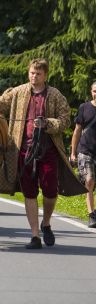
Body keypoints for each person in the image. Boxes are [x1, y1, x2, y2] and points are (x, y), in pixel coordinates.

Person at [0, 58, 86, 249]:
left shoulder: (54, 94)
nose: (34, 76)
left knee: (50, 190)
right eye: (31, 73)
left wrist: (47, 123)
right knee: (29, 191)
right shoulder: (19, 91)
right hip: (22, 150)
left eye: (38, 73)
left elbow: (65, 119)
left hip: (48, 149)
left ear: (45, 75)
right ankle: (35, 235)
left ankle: (46, 224)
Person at [70, 81, 96, 228]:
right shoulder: (84, 108)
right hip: (85, 150)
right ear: (91, 91)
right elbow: (77, 131)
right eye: (94, 91)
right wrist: (73, 152)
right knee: (90, 180)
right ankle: (91, 214)